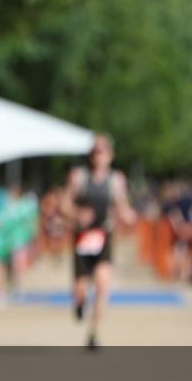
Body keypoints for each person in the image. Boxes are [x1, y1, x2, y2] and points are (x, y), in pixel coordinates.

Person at [60, 134, 136, 350]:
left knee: (103, 285)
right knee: (81, 288)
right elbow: (64, 204)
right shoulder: (78, 177)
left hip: (104, 236)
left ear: (110, 155)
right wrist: (77, 214)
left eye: (102, 151)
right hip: (82, 237)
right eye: (95, 151)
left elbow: (122, 205)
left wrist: (128, 215)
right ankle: (80, 302)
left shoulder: (116, 180)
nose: (98, 155)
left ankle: (93, 334)